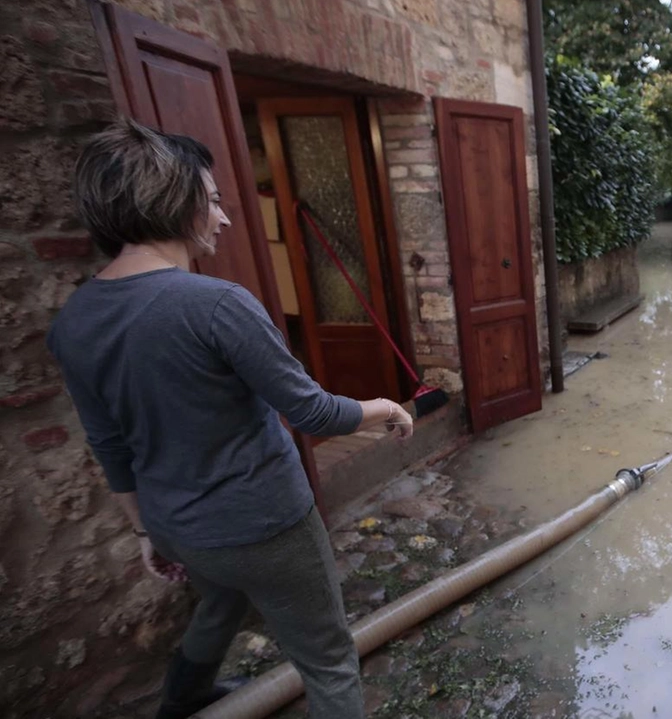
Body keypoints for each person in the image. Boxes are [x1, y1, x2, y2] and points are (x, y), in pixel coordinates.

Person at [48, 119, 414, 719]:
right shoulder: (215, 304)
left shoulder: (73, 322)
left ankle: (184, 699)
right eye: (213, 201)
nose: (221, 217)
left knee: (219, 602)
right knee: (329, 661)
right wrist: (387, 408)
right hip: (264, 524)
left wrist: (145, 533)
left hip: (176, 526)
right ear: (177, 203)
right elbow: (311, 410)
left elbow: (109, 444)